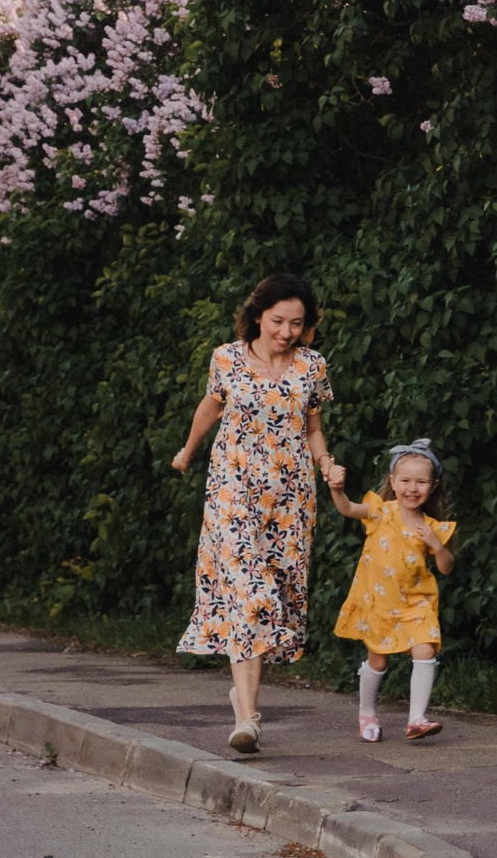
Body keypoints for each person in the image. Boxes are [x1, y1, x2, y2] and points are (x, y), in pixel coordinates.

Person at [170, 273, 340, 755]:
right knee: (249, 592)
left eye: (297, 323)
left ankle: (243, 698)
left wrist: (327, 464)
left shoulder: (312, 366)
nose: (286, 331)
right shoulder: (226, 357)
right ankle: (248, 718)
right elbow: (210, 406)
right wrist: (187, 450)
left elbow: (313, 430)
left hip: (289, 500)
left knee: (274, 599)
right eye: (278, 321)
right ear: (258, 316)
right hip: (233, 492)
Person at [328, 439, 458, 741]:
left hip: (417, 602)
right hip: (380, 603)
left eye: (421, 482)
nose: (413, 488)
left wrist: (436, 546)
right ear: (392, 482)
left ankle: (417, 719)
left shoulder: (433, 526)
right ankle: (367, 714)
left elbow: (446, 567)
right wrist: (337, 489)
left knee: (425, 649)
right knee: (378, 660)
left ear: (433, 486)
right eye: (406, 481)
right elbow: (347, 509)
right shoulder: (381, 512)